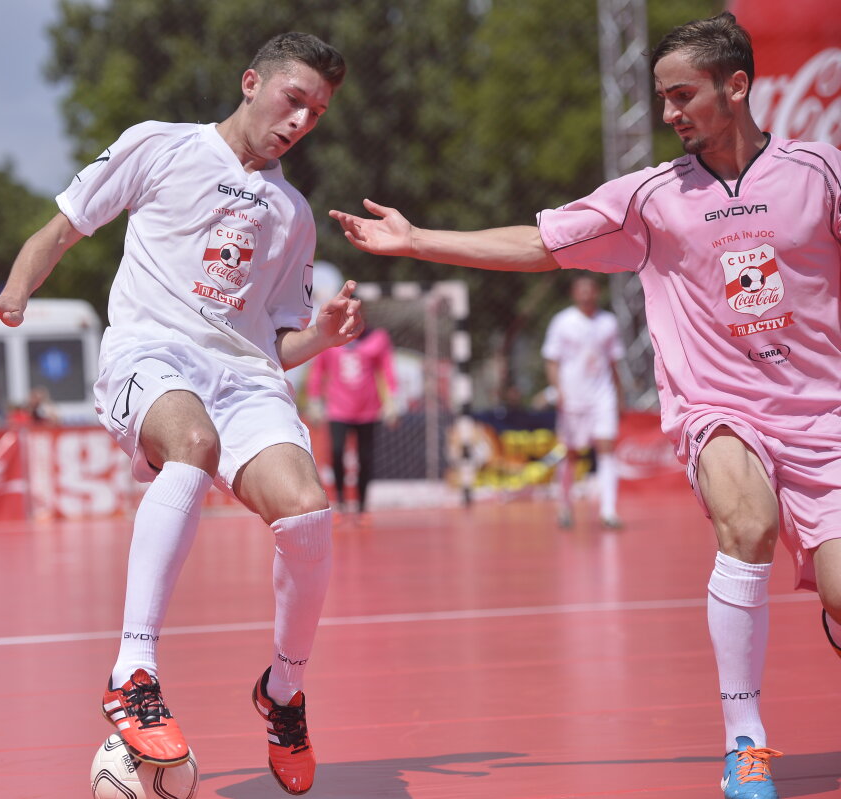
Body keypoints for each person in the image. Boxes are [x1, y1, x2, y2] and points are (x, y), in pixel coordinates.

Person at [330, 12, 840, 797]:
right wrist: (418, 239)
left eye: (683, 95)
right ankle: (746, 741)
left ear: (736, 87)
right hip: (719, 409)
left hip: (822, 417)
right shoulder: (651, 197)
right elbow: (540, 244)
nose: (668, 113)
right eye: (661, 97)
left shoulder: (819, 173)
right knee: (747, 524)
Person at [0, 32, 356, 795]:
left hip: (245, 378)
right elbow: (64, 227)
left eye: (316, 112)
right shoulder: (160, 147)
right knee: (193, 443)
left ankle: (283, 692)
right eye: (293, 100)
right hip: (153, 355)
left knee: (308, 511)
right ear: (252, 83)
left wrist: (322, 336)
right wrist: (16, 291)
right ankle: (133, 670)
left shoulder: (294, 214)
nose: (301, 121)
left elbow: (274, 343)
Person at [540, 275, 624, 529]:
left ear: (597, 292)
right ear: (574, 294)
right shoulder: (563, 322)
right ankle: (564, 506)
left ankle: (608, 511)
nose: (586, 295)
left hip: (602, 396)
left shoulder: (608, 322)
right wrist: (558, 390)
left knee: (606, 447)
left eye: (590, 290)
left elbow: (613, 362)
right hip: (573, 398)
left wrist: (620, 396)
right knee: (571, 453)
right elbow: (552, 360)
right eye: (581, 290)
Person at [306, 326, 398, 523]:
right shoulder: (330, 338)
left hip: (368, 410)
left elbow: (387, 368)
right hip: (338, 409)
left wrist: (393, 399)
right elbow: (318, 370)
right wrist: (314, 399)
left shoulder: (377, 338)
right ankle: (339, 502)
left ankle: (362, 506)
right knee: (337, 452)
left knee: (365, 457)